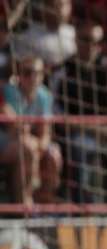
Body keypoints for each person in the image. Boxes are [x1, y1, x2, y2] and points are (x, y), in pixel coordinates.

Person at [1, 56, 62, 205]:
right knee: (27, 150)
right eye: (27, 72)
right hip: (7, 140)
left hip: (29, 142)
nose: (33, 77)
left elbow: (45, 134)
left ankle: (45, 203)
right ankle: (23, 206)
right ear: (19, 74)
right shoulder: (7, 92)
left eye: (37, 73)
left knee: (53, 154)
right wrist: (33, 142)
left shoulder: (45, 96)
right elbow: (14, 129)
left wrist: (39, 145)